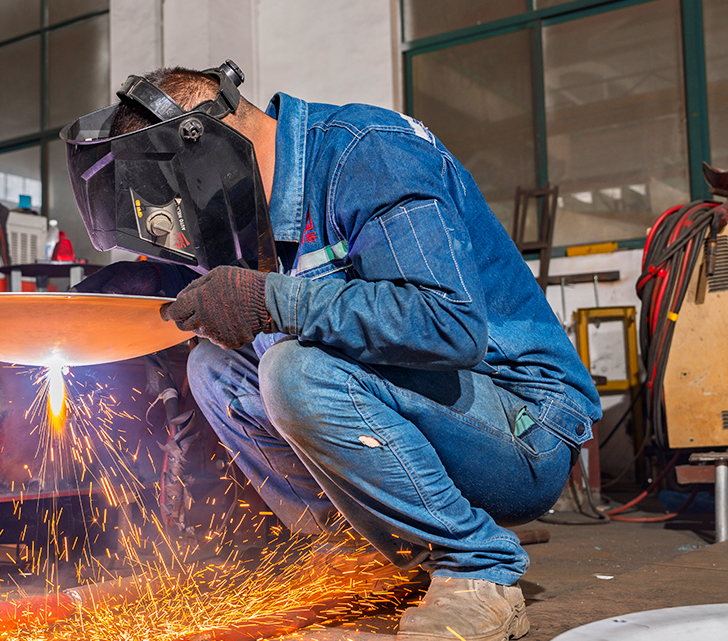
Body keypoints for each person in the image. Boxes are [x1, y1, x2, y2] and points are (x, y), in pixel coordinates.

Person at [63, 61, 600, 641]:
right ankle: (362, 559)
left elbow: (449, 325)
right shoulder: (249, 214)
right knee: (215, 366)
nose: (188, 235)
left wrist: (276, 302)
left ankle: (478, 569)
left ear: (208, 157)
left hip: (524, 428)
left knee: (294, 369)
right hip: (430, 417)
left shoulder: (369, 153)